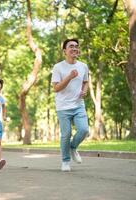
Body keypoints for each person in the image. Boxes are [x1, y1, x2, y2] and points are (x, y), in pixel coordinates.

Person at [51, 38, 89, 172]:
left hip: (79, 105)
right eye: (71, 46)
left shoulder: (83, 66)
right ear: (64, 51)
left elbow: (86, 82)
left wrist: (84, 91)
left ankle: (73, 148)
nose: (74, 48)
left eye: (76, 46)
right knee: (66, 134)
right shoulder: (58, 67)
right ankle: (65, 161)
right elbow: (55, 88)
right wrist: (69, 77)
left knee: (84, 130)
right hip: (63, 106)